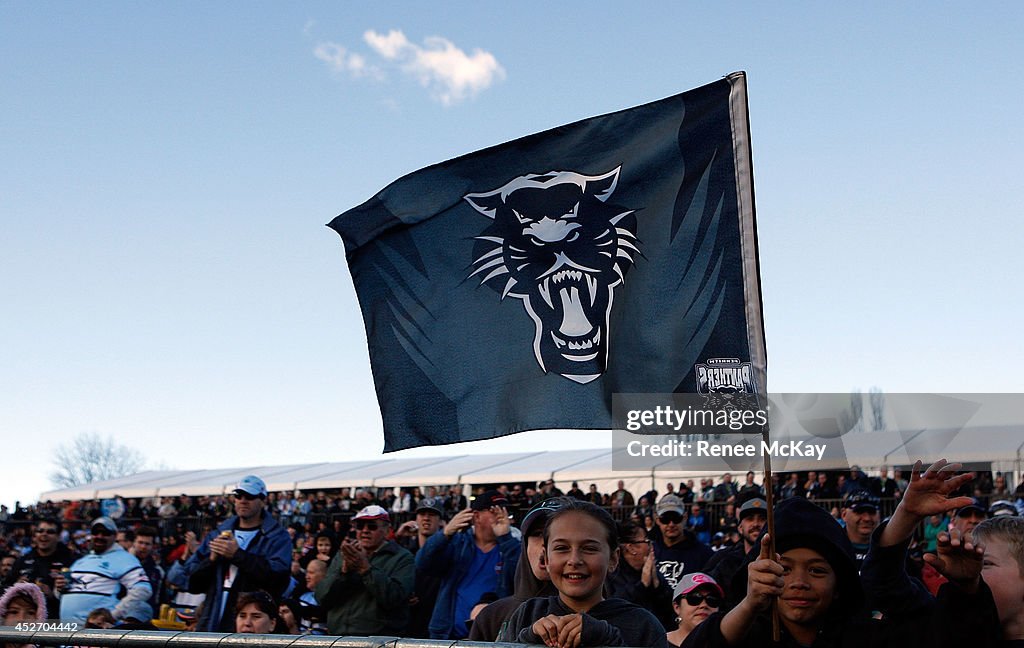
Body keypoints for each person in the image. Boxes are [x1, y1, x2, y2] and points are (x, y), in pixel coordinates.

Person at [497, 499, 667, 648]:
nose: (574, 560)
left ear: (613, 559)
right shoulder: (527, 614)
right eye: (561, 548)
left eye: (589, 549)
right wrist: (526, 642)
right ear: (547, 559)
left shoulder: (642, 625)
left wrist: (610, 640)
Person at [181, 475, 292, 632]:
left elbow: (279, 580)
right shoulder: (217, 533)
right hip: (212, 620)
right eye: (238, 496)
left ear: (263, 500)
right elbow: (191, 582)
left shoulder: (277, 536)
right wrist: (211, 560)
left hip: (252, 625)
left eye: (250, 496)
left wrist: (238, 555)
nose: (243, 500)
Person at [417, 490, 519, 639]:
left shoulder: (511, 545)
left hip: (493, 637)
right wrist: (445, 533)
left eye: (505, 511)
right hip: (449, 636)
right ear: (476, 516)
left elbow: (522, 577)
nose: (502, 515)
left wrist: (506, 538)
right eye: (495, 510)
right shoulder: (458, 543)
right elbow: (423, 563)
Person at [469, 497, 568, 641]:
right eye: (537, 534)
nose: (546, 544)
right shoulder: (492, 616)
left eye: (559, 534)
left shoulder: (601, 618)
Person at [315, 504, 415, 636]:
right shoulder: (343, 555)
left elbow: (395, 598)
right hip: (338, 637)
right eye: (360, 526)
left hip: (377, 641)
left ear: (386, 530)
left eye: (372, 526)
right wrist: (343, 572)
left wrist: (365, 569)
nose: (365, 530)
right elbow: (321, 597)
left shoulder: (402, 557)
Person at [59, 516, 152, 624]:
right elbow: (66, 592)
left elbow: (143, 590)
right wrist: (59, 589)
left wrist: (114, 615)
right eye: (95, 532)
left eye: (105, 533)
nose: (99, 536)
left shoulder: (124, 558)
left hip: (96, 634)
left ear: (115, 536)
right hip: (67, 633)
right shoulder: (82, 561)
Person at [606, 519, 674, 630]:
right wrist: (642, 586)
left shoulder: (651, 571)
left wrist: (657, 585)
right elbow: (615, 607)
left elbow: (671, 608)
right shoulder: (611, 574)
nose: (651, 547)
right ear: (631, 548)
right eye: (646, 542)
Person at [5, 518, 77, 617]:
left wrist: (53, 595)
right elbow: (4, 588)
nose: (44, 534)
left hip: (55, 621)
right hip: (24, 621)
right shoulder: (22, 561)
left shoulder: (71, 561)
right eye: (40, 531)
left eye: (50, 532)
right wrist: (16, 587)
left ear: (58, 536)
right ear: (35, 536)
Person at [703, 497, 766, 601]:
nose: (756, 524)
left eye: (762, 518)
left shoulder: (781, 560)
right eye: (750, 518)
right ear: (740, 528)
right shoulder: (723, 559)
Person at [651, 495, 713, 589]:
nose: (671, 524)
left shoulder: (704, 554)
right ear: (657, 520)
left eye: (676, 518)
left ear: (685, 517)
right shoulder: (649, 552)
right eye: (665, 519)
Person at [666, 573, 722, 648]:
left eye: (712, 599)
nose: (704, 605)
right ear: (677, 607)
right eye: (694, 598)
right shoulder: (657, 642)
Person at [840, 490, 880, 569]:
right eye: (859, 512)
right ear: (844, 514)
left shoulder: (889, 549)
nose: (867, 518)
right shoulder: (831, 548)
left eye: (872, 512)